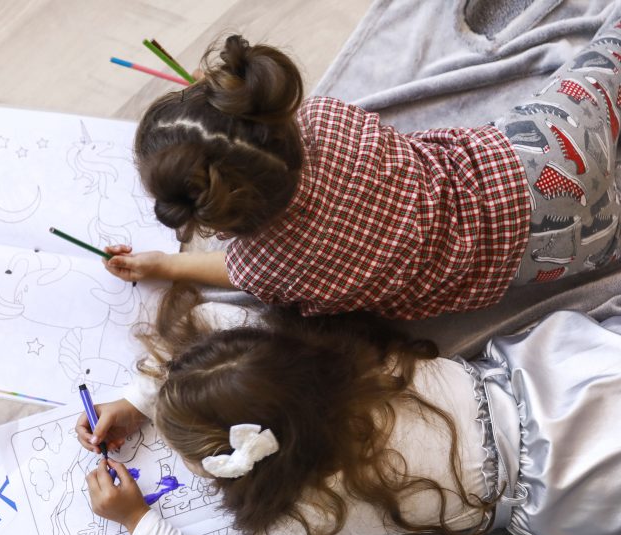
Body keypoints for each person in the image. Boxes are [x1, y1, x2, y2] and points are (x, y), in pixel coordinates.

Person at [76, 285, 621, 535]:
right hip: (564, 377)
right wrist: (140, 399)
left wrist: (137, 519)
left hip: (573, 477)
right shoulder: (319, 355)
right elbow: (214, 323)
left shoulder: (314, 514)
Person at [103, 31, 621, 319]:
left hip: (552, 253)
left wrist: (167, 267)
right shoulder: (328, 119)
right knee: (607, 63)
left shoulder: (268, 269)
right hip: (541, 152)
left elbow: (232, 271)